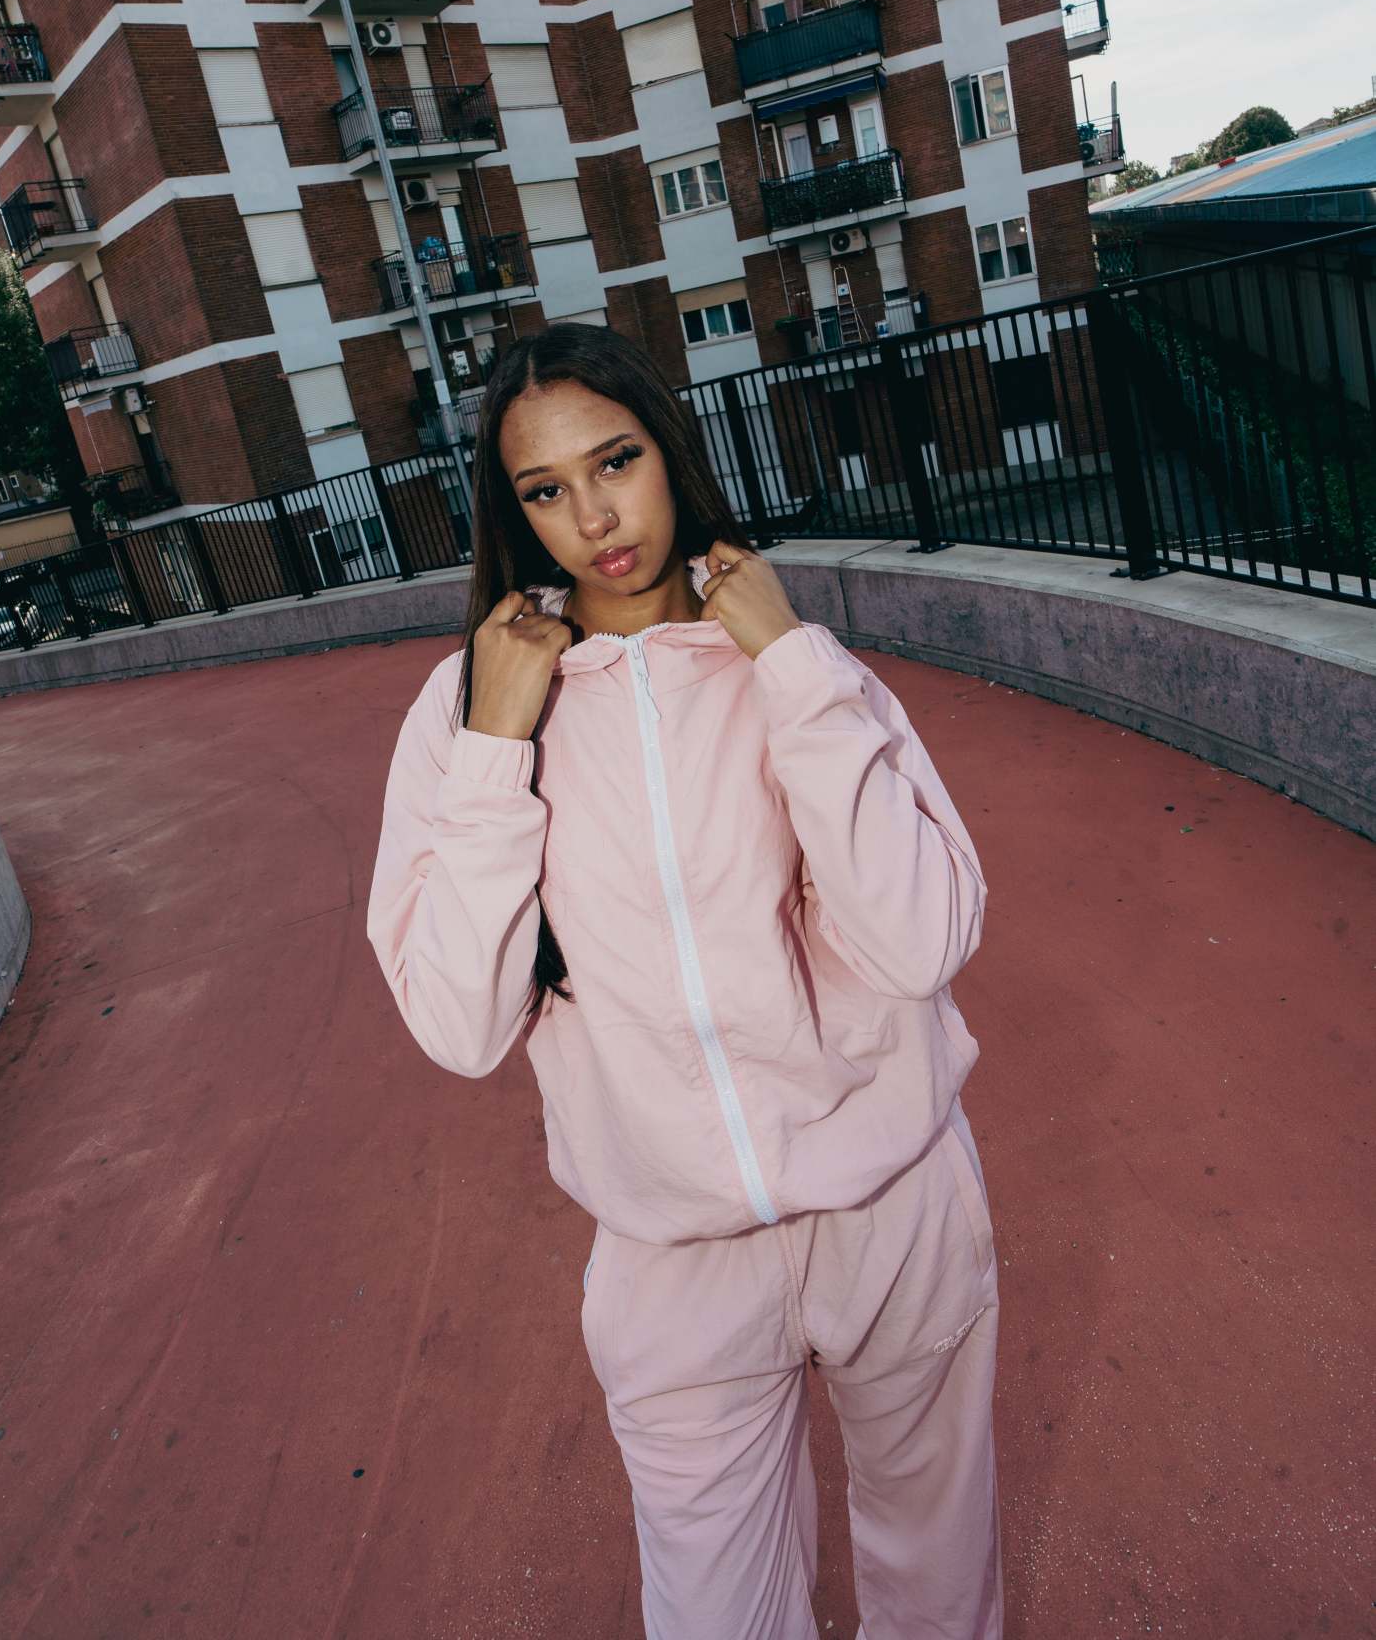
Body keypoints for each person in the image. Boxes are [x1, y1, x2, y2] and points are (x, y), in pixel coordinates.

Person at [367, 322, 1003, 1640]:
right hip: (670, 1264)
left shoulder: (795, 665)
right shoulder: (464, 714)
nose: (595, 518)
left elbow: (922, 942)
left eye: (616, 462)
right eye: (546, 489)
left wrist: (791, 668)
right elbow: (457, 1024)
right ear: (513, 513)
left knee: (937, 1583)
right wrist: (497, 742)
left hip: (892, 1206)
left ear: (669, 451)